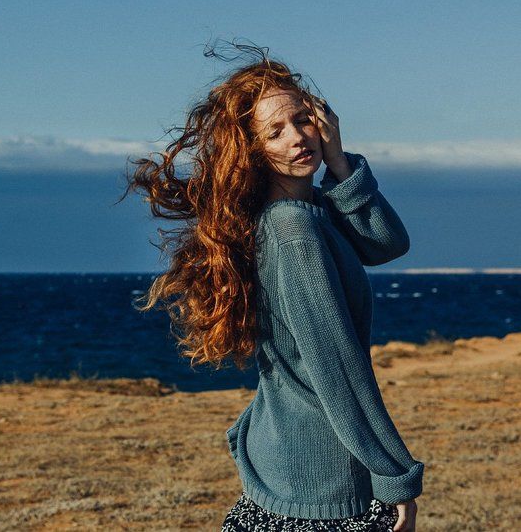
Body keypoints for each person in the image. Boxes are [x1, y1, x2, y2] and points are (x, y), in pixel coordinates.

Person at [119, 41, 424, 532]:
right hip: (321, 485)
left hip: (291, 465)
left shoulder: (313, 214)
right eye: (274, 132)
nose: (297, 139)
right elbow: (336, 368)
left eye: (303, 120)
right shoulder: (292, 229)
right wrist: (394, 477)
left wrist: (340, 165)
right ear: (252, 150)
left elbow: (386, 245)